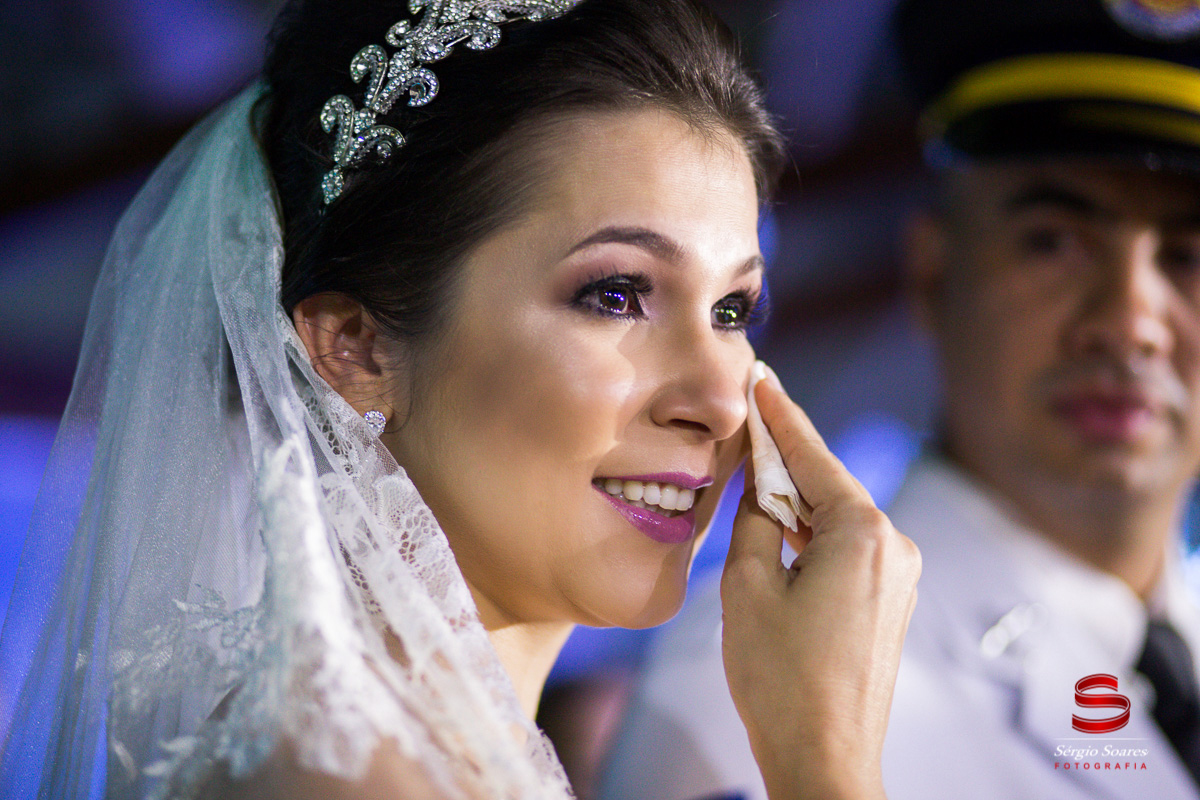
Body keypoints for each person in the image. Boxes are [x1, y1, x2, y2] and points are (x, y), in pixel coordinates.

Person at [0, 1, 921, 798]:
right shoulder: (337, 781)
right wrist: (826, 761)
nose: (724, 401)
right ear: (354, 348)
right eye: (616, 293)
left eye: (732, 309)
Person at [600, 1, 1200, 799]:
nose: (1130, 323)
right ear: (931, 273)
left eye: (1188, 255)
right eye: (1052, 242)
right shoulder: (757, 683)